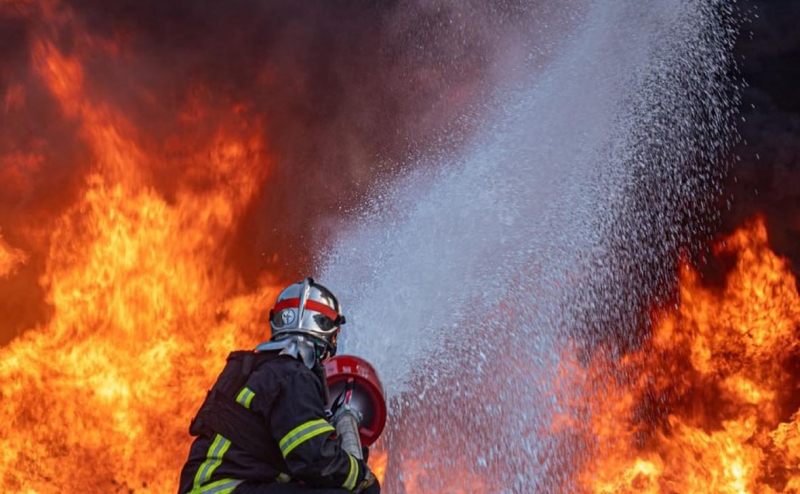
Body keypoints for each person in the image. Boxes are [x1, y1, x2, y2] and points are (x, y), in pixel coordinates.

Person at [178, 278, 380, 494]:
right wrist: (362, 477)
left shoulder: (262, 371)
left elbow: (298, 458)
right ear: (327, 331)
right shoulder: (293, 377)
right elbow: (314, 459)